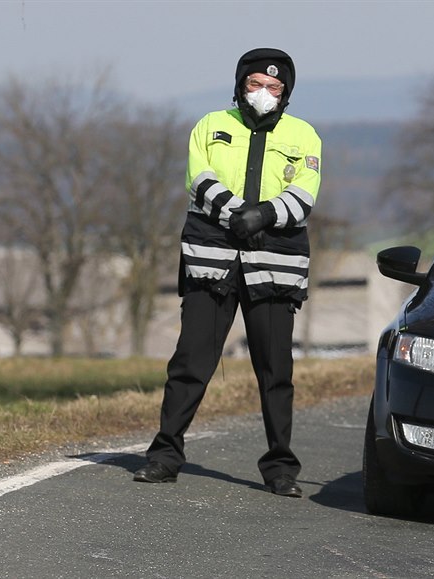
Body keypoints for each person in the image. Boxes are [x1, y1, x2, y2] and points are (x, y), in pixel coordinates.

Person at [133, 48, 322, 499]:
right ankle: (164, 456)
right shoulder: (210, 125)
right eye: (256, 84)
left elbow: (305, 193)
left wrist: (264, 216)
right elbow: (198, 177)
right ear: (240, 85)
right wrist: (239, 214)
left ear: (287, 93)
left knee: (275, 370)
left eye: (274, 87)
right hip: (212, 262)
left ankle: (280, 468)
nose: (264, 94)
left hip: (274, 268)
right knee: (191, 362)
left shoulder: (306, 136)